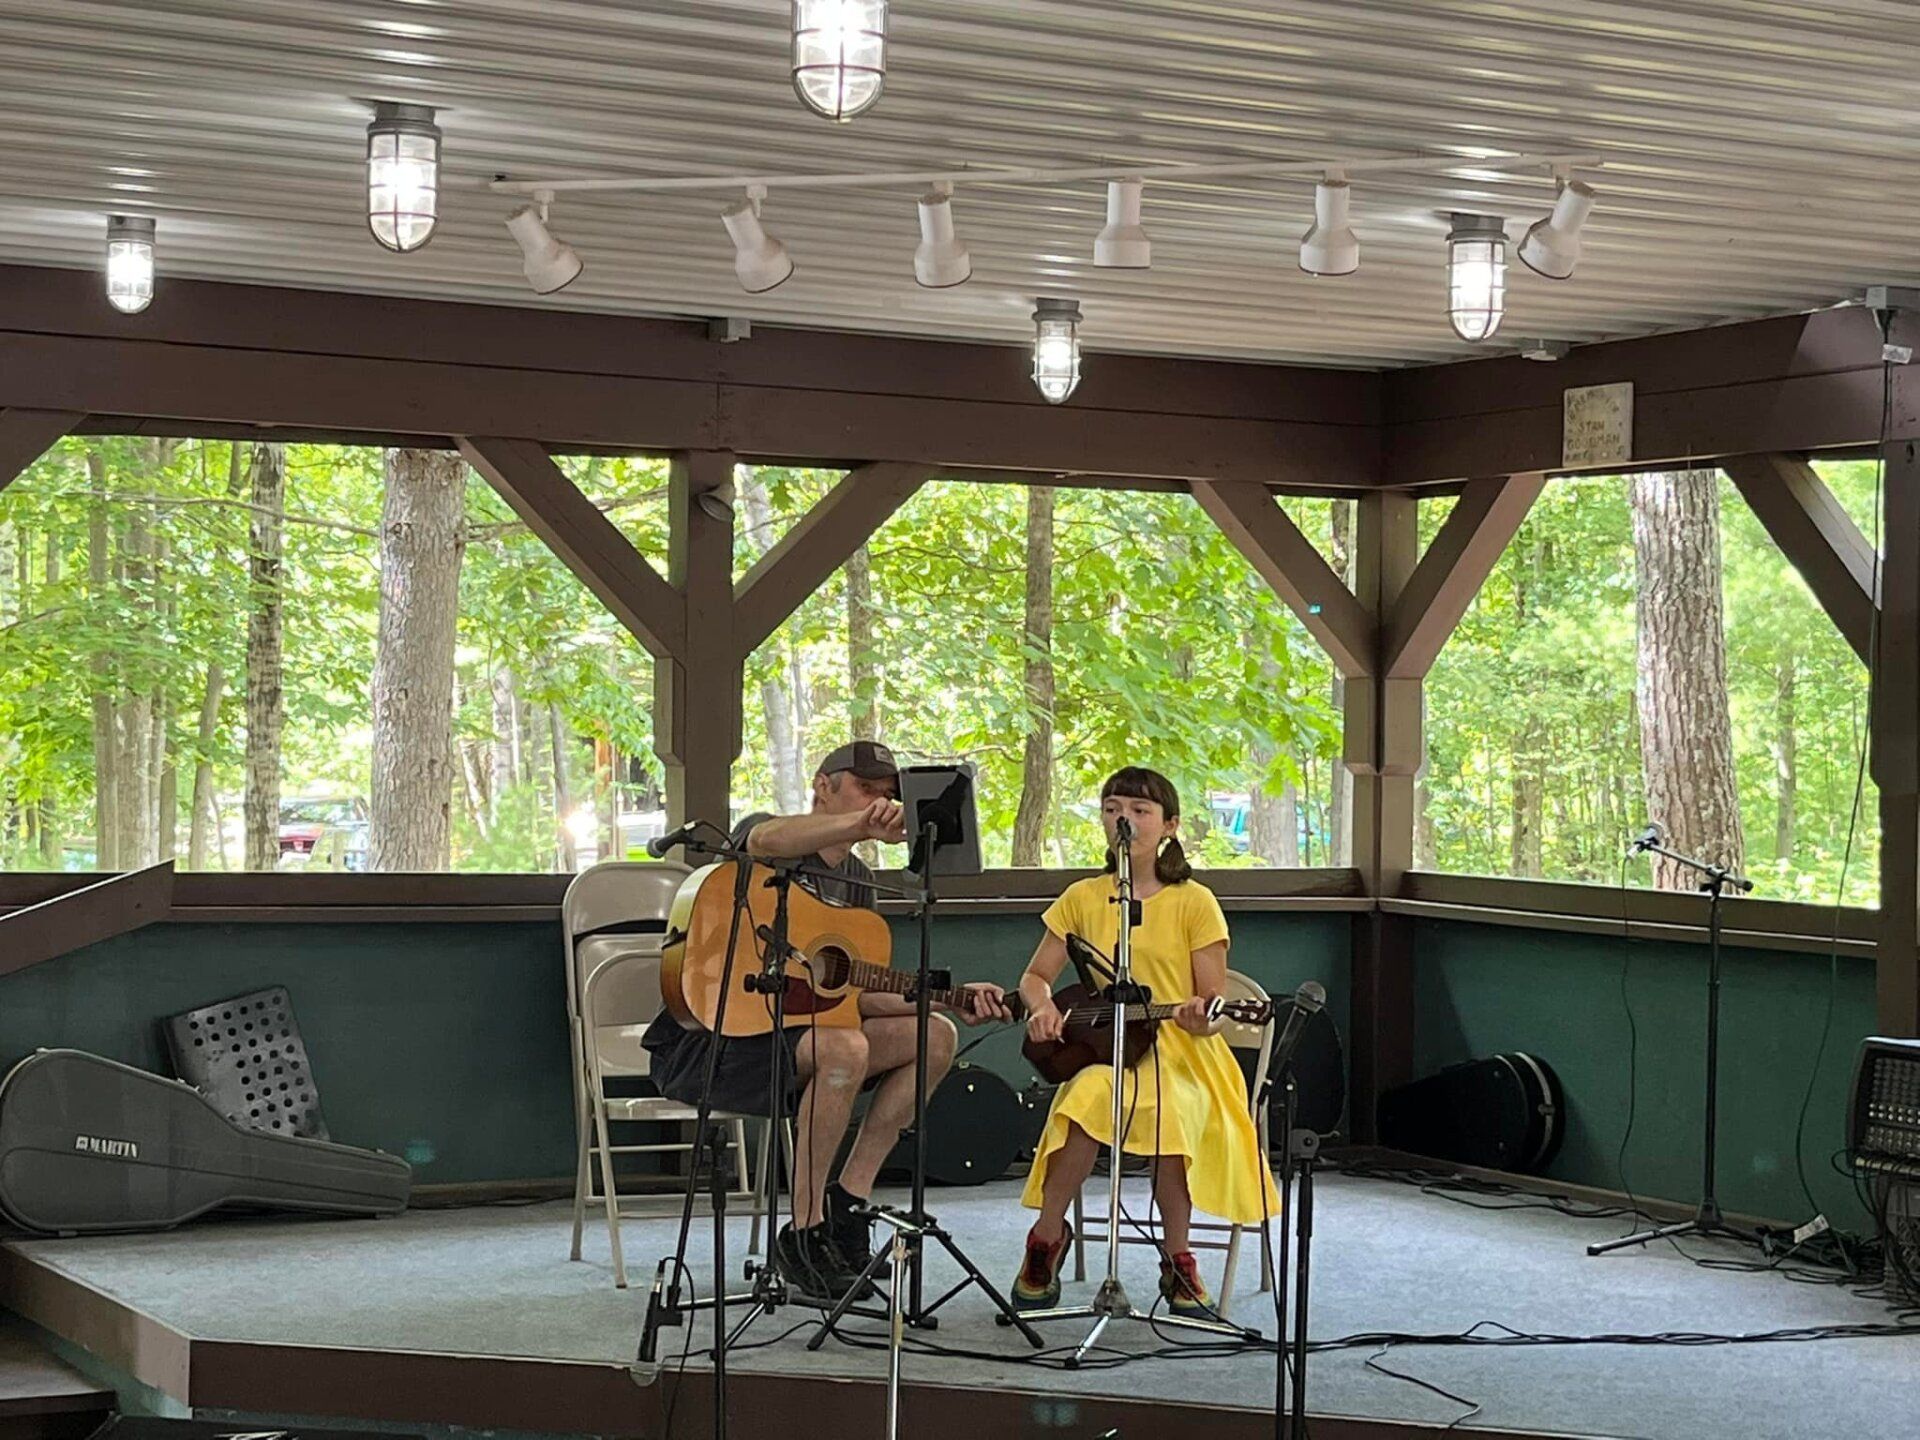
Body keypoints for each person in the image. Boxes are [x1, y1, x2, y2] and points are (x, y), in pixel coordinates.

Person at [641, 739, 1011, 1303]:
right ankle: (804, 1230)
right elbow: (765, 840)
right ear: (822, 784)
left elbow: (853, 994)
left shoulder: (860, 883)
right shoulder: (768, 833)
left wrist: (946, 998)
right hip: (719, 1037)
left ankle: (847, 1203)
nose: (879, 802)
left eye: (887, 796)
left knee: (935, 1035)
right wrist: (859, 824)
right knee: (845, 1049)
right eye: (866, 789)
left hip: (807, 1033)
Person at [1009, 766, 1280, 1316]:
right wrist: (1040, 1008)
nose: (1123, 819)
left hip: (1185, 1053)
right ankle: (1045, 1239)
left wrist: (1196, 1015)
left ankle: (1178, 1258)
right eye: (1113, 809)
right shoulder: (1083, 896)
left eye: (1139, 810)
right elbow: (1035, 977)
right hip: (1108, 1046)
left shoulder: (1194, 901)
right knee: (1086, 1098)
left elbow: (1210, 1007)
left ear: (1169, 826)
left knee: (1171, 1113)